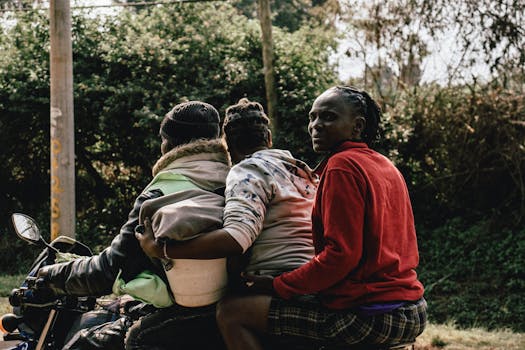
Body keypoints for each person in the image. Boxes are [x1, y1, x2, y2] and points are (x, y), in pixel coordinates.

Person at [215, 86, 427, 349]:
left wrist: (276, 285)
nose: (316, 125)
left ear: (357, 126)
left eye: (328, 117)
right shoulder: (383, 164)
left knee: (232, 312)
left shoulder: (342, 167)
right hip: (409, 306)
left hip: (371, 314)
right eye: (312, 117)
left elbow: (341, 256)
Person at [38, 101, 230, 348]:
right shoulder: (235, 182)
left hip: (180, 319)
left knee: (82, 344)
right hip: (225, 310)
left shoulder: (162, 192)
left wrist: (51, 276)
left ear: (169, 144)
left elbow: (109, 270)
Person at [131, 98, 317, 349]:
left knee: (144, 336)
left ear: (226, 145)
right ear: (269, 138)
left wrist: (162, 250)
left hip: (273, 290)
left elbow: (235, 238)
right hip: (309, 282)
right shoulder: (299, 170)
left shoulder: (245, 172)